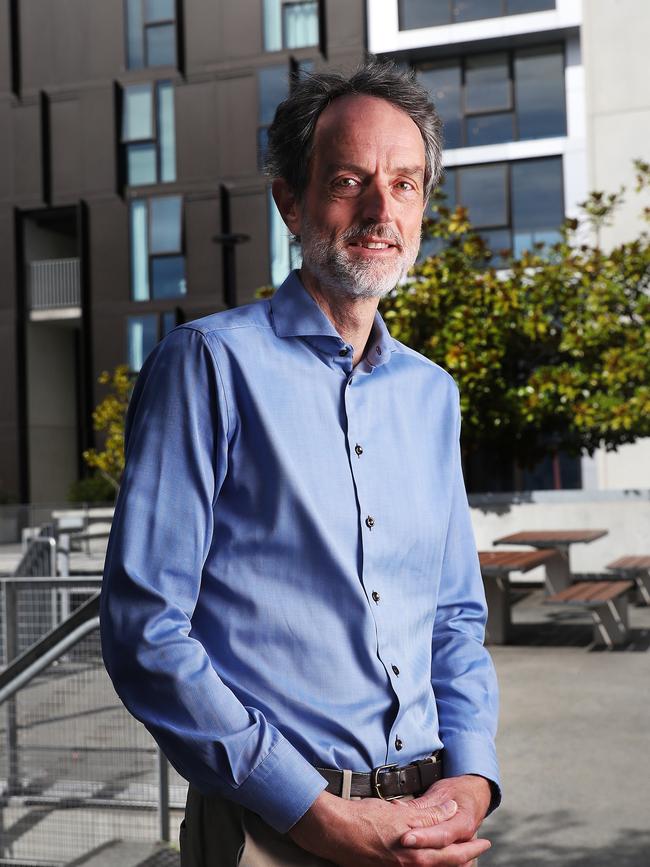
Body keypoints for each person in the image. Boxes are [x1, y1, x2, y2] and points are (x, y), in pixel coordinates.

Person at [101, 60, 500, 866]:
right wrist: (308, 809)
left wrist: (474, 776)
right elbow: (145, 628)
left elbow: (454, 617)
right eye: (351, 180)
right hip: (269, 832)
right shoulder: (207, 365)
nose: (382, 210)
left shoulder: (434, 395)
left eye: (407, 184)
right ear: (291, 198)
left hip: (428, 822)